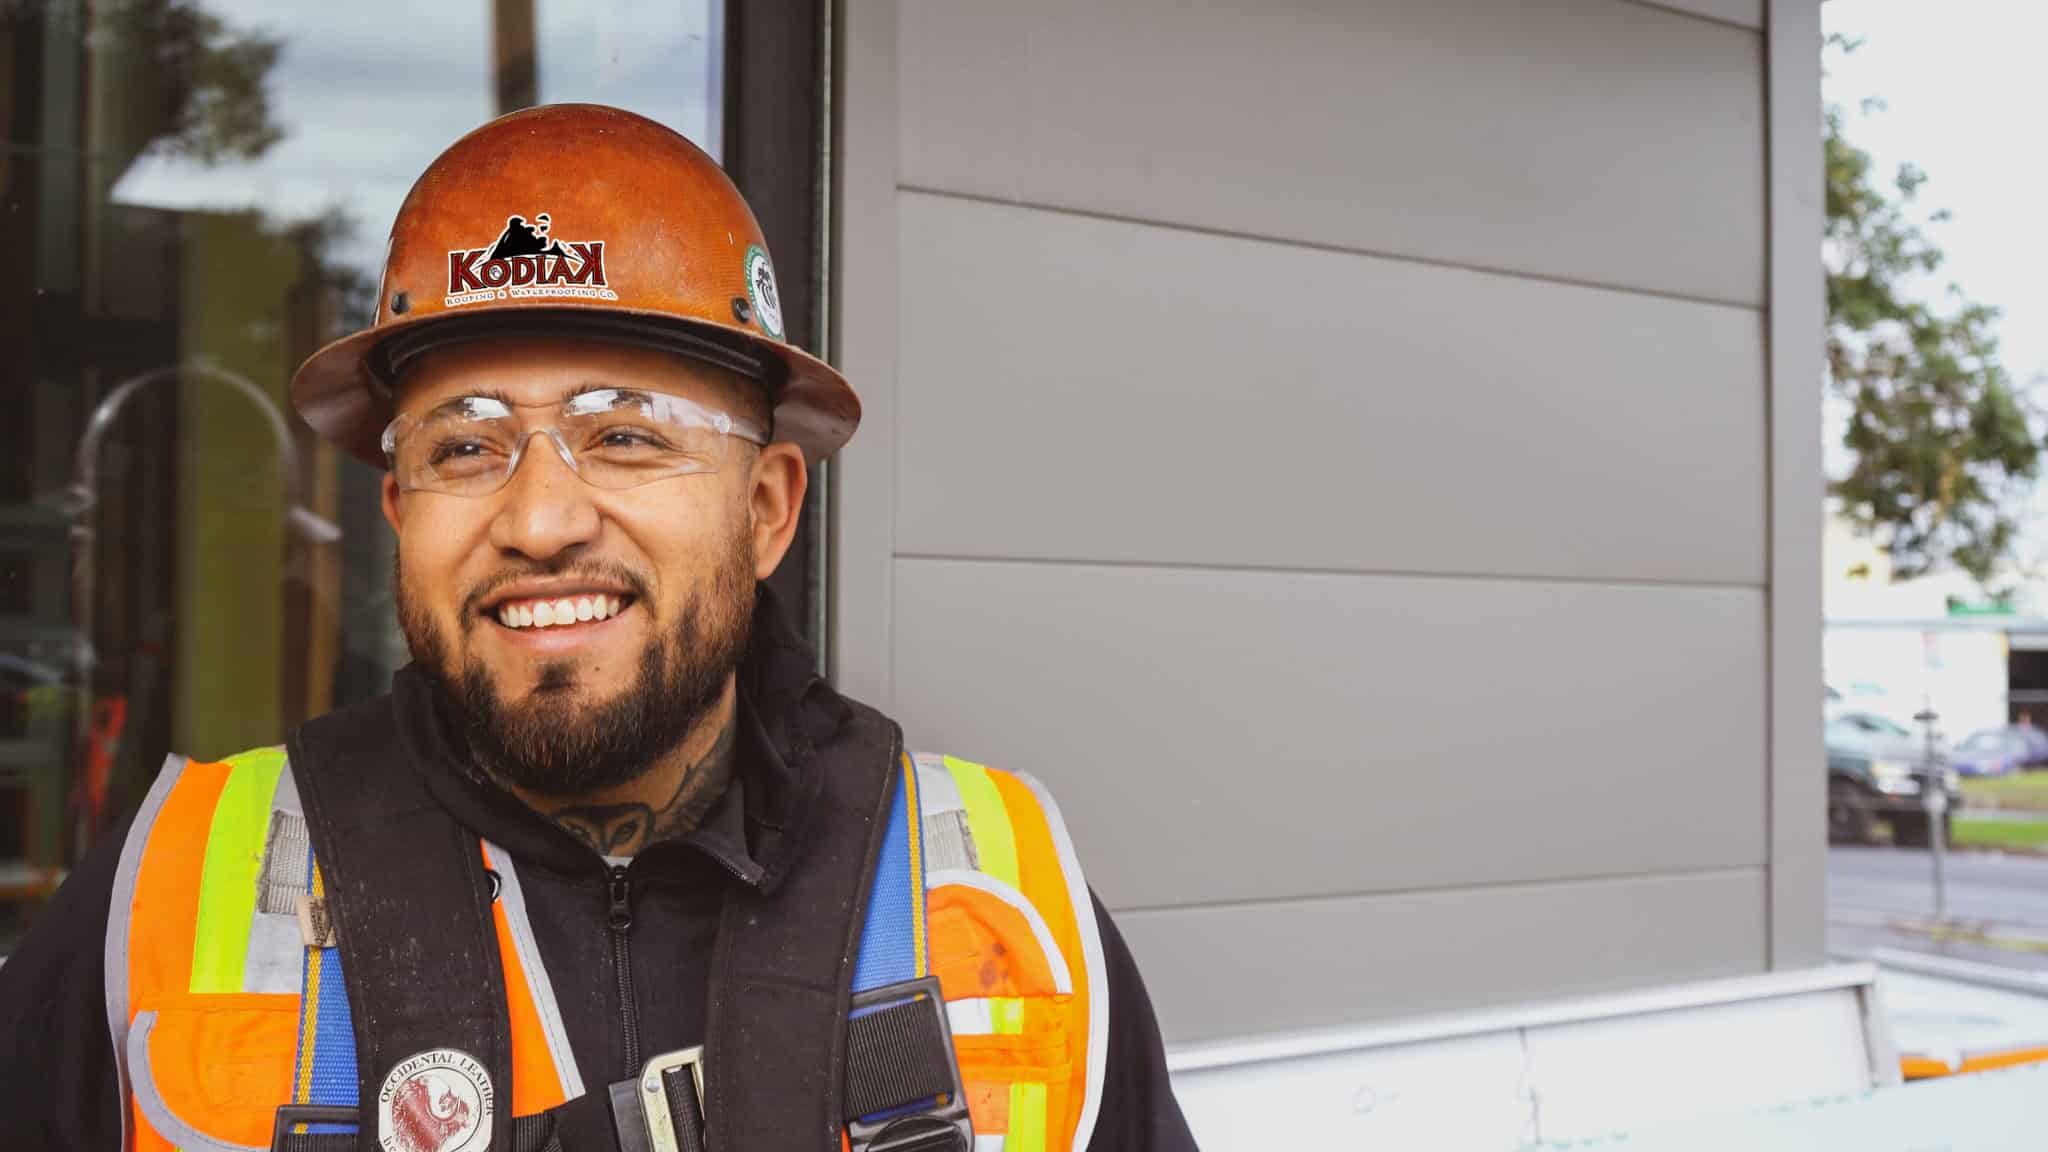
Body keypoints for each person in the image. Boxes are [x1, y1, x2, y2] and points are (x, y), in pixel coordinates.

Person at [0, 104, 1197, 1152]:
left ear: (767, 507)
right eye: (464, 446)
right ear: (399, 507)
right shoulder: (156, 904)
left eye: (625, 433)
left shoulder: (1006, 903)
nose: (538, 519)